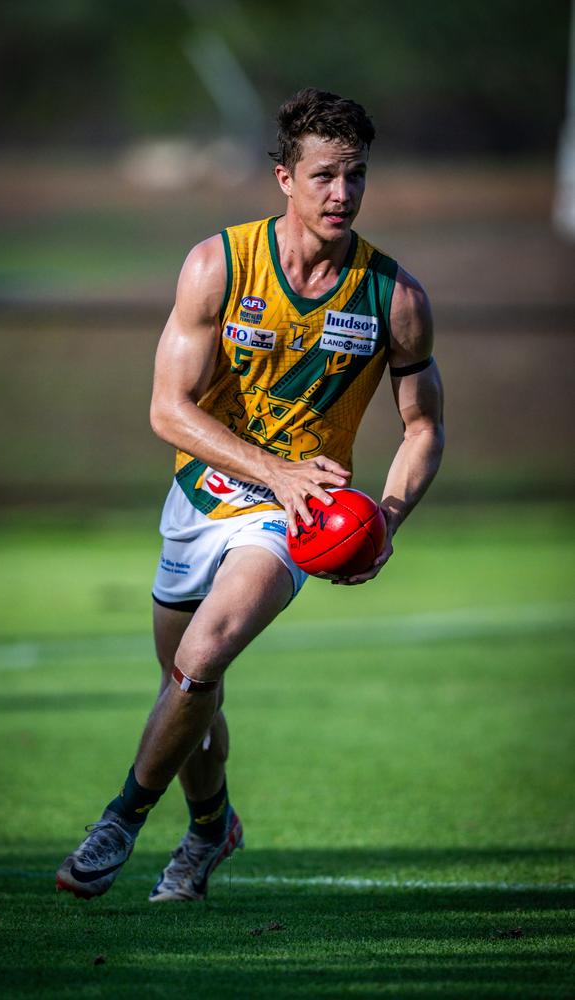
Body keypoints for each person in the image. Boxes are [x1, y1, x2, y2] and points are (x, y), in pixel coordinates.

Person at [56, 88, 444, 902]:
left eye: (357, 176)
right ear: (284, 178)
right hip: (200, 498)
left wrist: (388, 519)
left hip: (294, 519)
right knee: (186, 694)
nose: (343, 193)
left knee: (199, 664)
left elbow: (422, 428)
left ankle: (119, 822)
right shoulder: (219, 264)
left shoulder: (395, 298)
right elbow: (168, 409)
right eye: (325, 176)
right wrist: (270, 467)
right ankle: (211, 829)